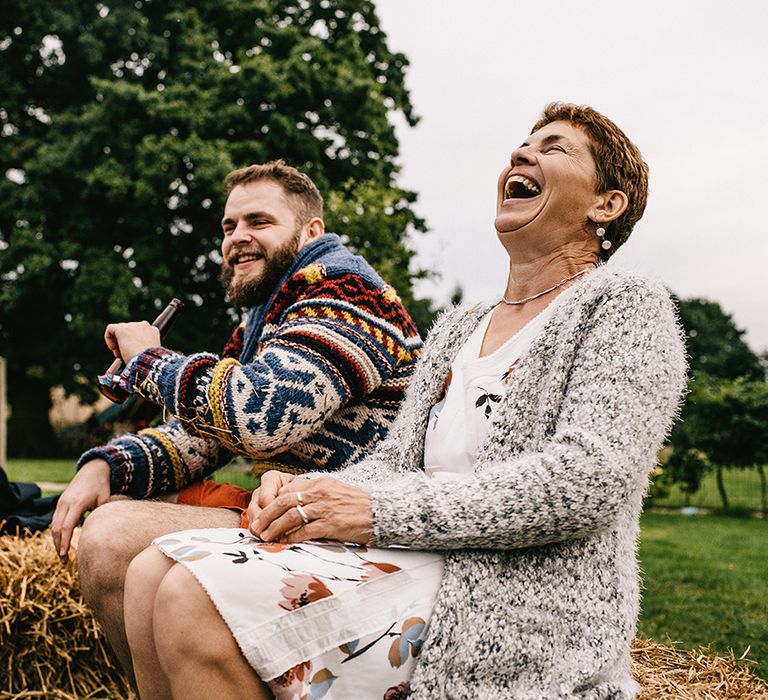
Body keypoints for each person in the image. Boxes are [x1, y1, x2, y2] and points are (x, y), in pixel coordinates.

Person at [122, 103, 688, 699]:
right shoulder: (460, 326)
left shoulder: (625, 307)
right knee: (149, 572)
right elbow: (397, 462)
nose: (521, 155)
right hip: (416, 552)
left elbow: (587, 482)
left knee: (191, 597)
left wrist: (373, 513)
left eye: (553, 148)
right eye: (522, 145)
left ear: (607, 204)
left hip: (507, 597)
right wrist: (305, 492)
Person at [51, 161, 422, 679]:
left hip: (355, 525)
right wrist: (109, 466)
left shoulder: (345, 293)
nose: (238, 238)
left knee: (111, 536)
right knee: (112, 523)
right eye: (229, 227)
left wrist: (150, 361)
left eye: (258, 222)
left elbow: (263, 417)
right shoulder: (268, 315)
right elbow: (203, 438)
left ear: (310, 231)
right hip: (288, 512)